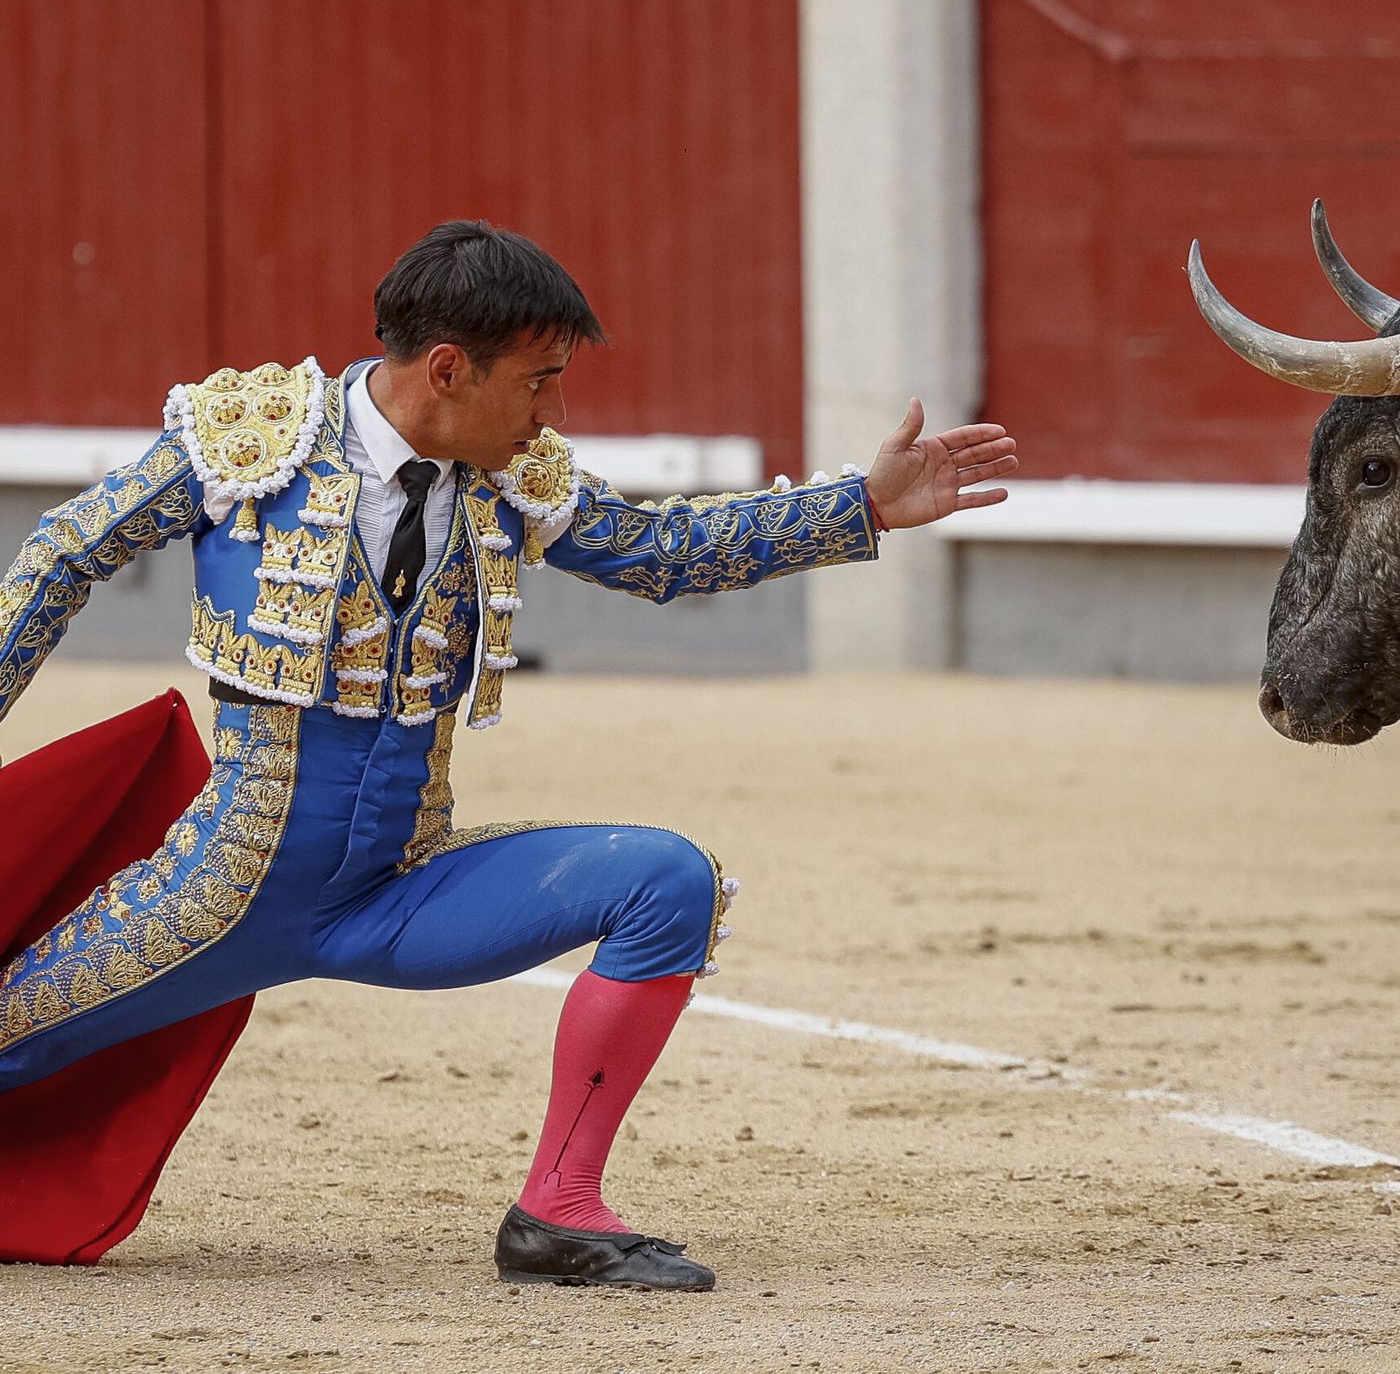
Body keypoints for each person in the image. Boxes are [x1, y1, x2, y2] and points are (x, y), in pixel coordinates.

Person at [0, 220, 1017, 1290]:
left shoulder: (510, 475)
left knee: (667, 880)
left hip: (401, 886)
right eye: (538, 381)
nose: (554, 413)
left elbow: (661, 554)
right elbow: (67, 549)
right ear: (448, 368)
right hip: (219, 892)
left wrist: (855, 506)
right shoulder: (246, 440)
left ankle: (556, 1210)